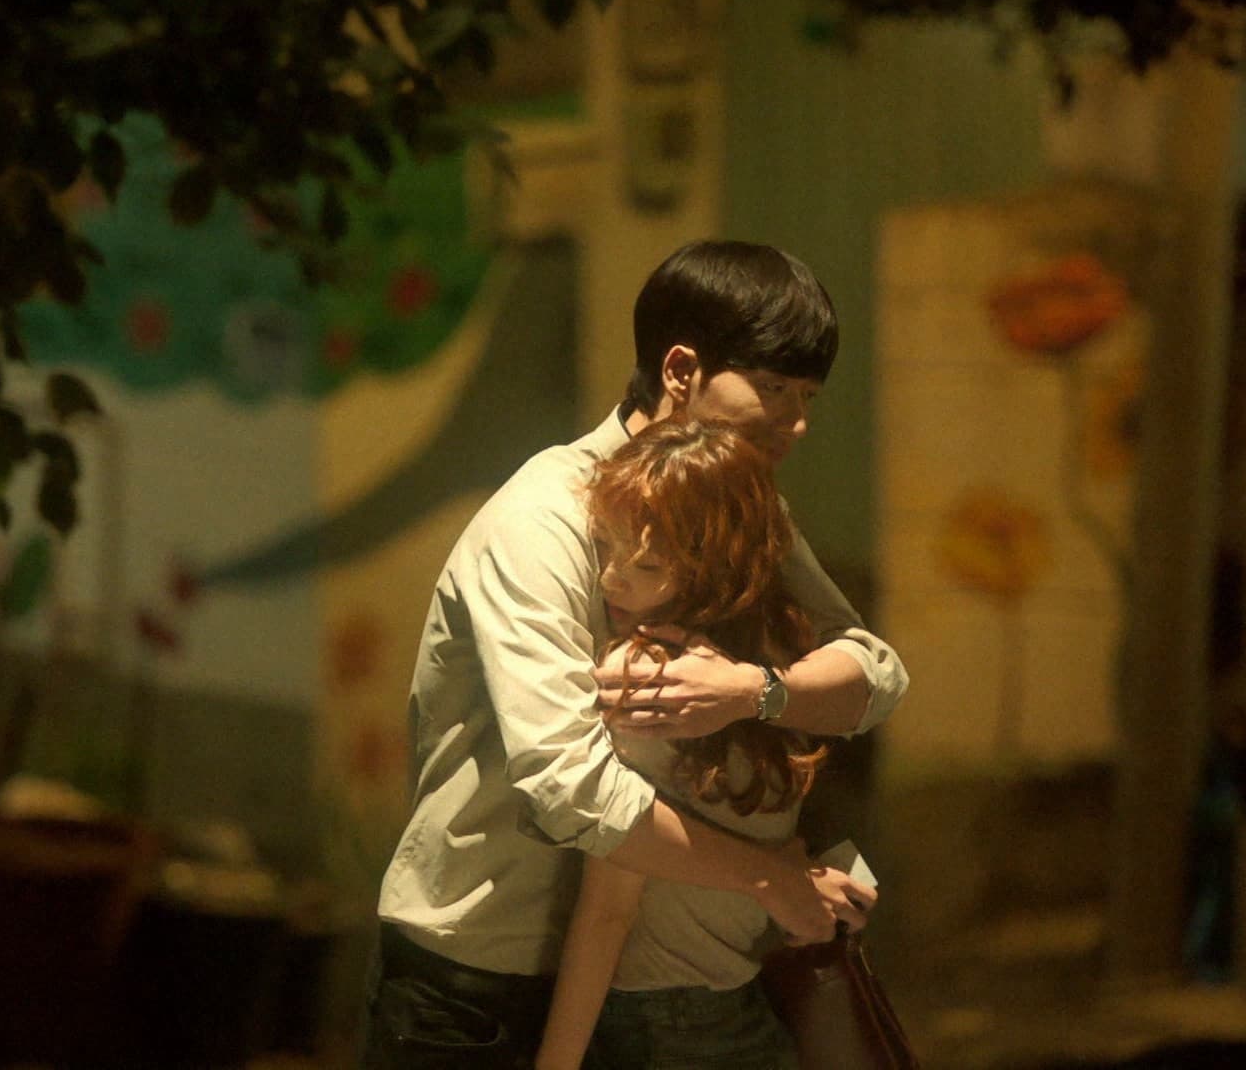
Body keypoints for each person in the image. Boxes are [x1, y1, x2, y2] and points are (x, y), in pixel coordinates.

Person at [365, 241, 908, 1068]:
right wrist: (769, 878)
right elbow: (570, 786)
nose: (796, 422)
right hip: (487, 969)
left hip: (633, 976)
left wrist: (755, 691)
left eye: (807, 396)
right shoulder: (544, 517)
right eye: (772, 388)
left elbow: (872, 672)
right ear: (681, 370)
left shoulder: (732, 503)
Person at [536, 416, 838, 1070]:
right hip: (694, 1001)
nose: (611, 579)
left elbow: (608, 912)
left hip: (695, 1005)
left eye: (646, 563)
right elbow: (611, 906)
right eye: (605, 545)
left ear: (716, 567)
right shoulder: (770, 662)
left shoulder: (667, 679)